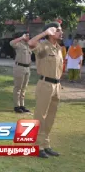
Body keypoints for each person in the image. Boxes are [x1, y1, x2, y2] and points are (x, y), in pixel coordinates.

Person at [27, 21, 64, 158]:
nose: (61, 32)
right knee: (40, 116)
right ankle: (37, 146)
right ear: (51, 32)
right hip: (45, 84)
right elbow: (31, 43)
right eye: (58, 30)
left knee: (50, 117)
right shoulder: (43, 46)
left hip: (56, 86)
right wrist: (44, 33)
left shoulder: (58, 48)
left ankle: (46, 144)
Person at [10, 31, 31, 113]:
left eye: (28, 35)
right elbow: (11, 43)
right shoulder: (19, 44)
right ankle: (16, 106)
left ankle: (22, 105)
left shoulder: (28, 45)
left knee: (24, 88)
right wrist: (22, 37)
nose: (28, 37)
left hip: (27, 68)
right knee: (18, 87)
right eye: (26, 35)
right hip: (20, 67)